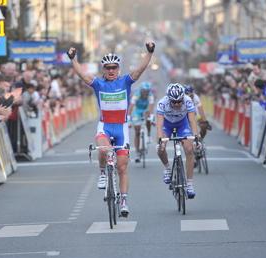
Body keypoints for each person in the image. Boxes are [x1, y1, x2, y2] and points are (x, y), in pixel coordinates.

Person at [67, 42, 155, 217]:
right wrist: (73, 59)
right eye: (108, 68)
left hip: (121, 128)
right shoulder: (99, 84)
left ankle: (123, 200)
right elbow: (82, 75)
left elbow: (139, 70)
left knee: (122, 168)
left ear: (118, 69)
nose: (111, 70)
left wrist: (150, 53)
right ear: (104, 70)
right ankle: (102, 172)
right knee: (103, 147)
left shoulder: (125, 81)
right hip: (105, 126)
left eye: (114, 67)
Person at [156, 83, 199, 199]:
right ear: (169, 99)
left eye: (179, 101)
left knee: (189, 149)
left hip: (182, 125)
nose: (177, 104)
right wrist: (160, 139)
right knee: (161, 148)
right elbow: (159, 124)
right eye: (174, 102)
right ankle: (167, 168)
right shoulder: (162, 103)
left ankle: (189, 184)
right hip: (167, 125)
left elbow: (192, 121)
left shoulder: (188, 100)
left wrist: (196, 136)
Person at [128, 81, 155, 163]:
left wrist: (151, 118)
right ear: (141, 90)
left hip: (145, 110)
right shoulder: (136, 95)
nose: (145, 93)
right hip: (137, 111)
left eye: (147, 91)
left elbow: (151, 108)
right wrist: (129, 120)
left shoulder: (150, 95)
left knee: (148, 119)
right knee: (137, 131)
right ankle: (137, 153)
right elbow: (131, 108)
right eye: (144, 91)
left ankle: (149, 135)